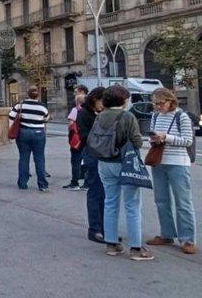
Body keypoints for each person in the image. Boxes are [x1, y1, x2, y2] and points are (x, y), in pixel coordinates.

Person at [94, 85, 152, 261]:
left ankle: (111, 244)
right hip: (124, 163)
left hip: (104, 163)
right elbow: (137, 142)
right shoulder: (127, 116)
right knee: (132, 205)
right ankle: (135, 248)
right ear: (122, 100)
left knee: (110, 202)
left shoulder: (100, 116)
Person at [145, 88, 197, 255]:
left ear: (171, 101)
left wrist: (166, 137)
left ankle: (188, 239)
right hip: (159, 161)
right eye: (155, 103)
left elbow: (188, 141)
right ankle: (166, 234)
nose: (158, 106)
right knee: (161, 200)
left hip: (178, 163)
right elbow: (151, 137)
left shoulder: (181, 116)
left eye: (161, 103)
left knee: (183, 202)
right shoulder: (155, 116)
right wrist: (153, 138)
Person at [77, 87, 106, 243]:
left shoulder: (102, 113)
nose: (105, 104)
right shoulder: (84, 114)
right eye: (103, 101)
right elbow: (84, 137)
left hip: (104, 156)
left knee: (105, 194)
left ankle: (106, 228)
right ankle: (94, 229)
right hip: (92, 156)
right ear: (95, 99)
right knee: (95, 192)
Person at [9, 86, 50, 191]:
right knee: (40, 158)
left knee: (23, 158)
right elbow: (45, 118)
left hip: (23, 133)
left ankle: (22, 183)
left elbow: (11, 117)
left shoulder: (20, 105)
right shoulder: (43, 107)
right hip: (39, 134)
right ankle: (42, 185)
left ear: (28, 94)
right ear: (38, 95)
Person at [65, 85, 88, 191]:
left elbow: (71, 124)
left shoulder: (75, 110)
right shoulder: (90, 110)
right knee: (87, 161)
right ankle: (87, 183)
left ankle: (75, 182)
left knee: (76, 161)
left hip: (77, 139)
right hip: (87, 139)